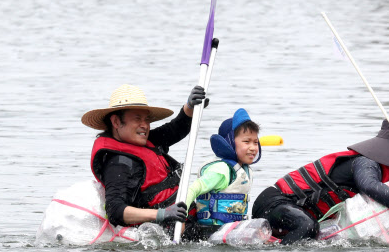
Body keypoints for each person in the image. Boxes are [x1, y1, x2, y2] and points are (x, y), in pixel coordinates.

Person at [252, 117, 389, 245]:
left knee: (319, 231)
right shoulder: (365, 163)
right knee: (308, 227)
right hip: (275, 203)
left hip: (298, 212)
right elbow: (370, 186)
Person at [81, 83, 206, 234]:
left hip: (186, 223)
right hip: (165, 233)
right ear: (116, 122)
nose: (145, 125)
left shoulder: (146, 142)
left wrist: (190, 107)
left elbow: (175, 129)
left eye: (146, 119)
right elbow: (115, 210)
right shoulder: (118, 163)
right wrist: (162, 214)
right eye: (137, 119)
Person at [185, 108, 260, 237]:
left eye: (256, 142)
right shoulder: (221, 170)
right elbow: (193, 189)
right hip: (209, 232)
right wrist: (179, 217)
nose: (253, 148)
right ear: (230, 142)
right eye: (246, 141)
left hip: (230, 230)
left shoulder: (244, 171)